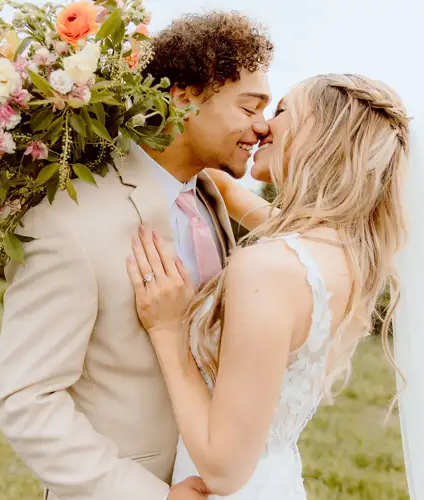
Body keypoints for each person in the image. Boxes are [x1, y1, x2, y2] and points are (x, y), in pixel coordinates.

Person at [0, 12, 273, 500]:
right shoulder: (68, 219)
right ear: (183, 96)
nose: (262, 127)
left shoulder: (209, 197)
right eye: (250, 107)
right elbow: (26, 400)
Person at [126, 73, 410, 499]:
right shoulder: (348, 252)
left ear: (323, 135)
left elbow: (224, 471)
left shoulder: (269, 269)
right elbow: (243, 201)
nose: (263, 126)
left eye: (280, 112)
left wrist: (167, 331)